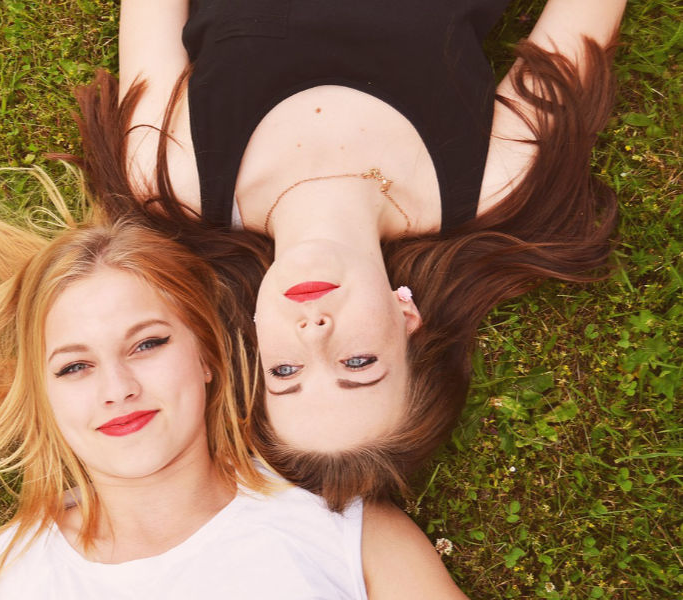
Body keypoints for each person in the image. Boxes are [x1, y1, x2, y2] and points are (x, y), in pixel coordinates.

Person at [54, 0, 627, 511]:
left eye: (286, 371)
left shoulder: (169, 180)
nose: (314, 331)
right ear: (408, 321)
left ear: (253, 341)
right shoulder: (494, 185)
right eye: (357, 364)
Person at [0, 179, 468, 599]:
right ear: (44, 396)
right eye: (73, 368)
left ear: (206, 356)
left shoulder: (349, 536)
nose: (117, 388)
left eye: (147, 344)